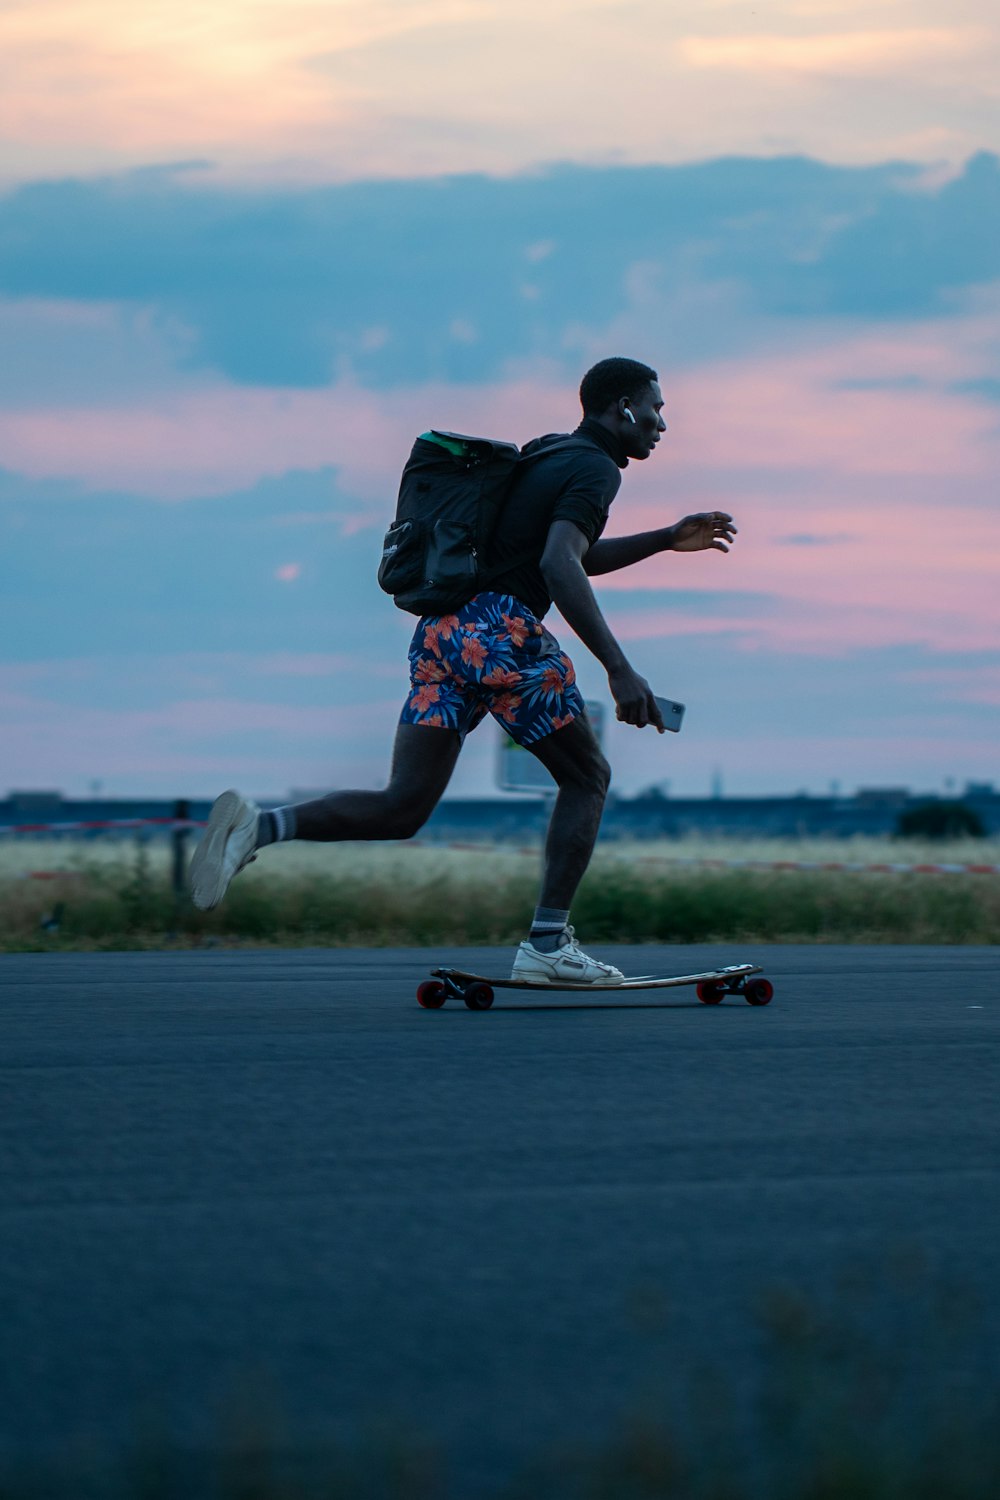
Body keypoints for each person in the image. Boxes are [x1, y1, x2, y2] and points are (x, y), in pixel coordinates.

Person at [190, 356, 737, 983]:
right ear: (622, 409)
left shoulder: (550, 452)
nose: (663, 424)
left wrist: (666, 537)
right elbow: (560, 566)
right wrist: (620, 669)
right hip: (500, 632)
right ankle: (547, 948)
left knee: (403, 807)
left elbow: (563, 554)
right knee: (587, 779)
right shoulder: (594, 468)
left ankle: (256, 829)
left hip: (444, 633)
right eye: (657, 408)